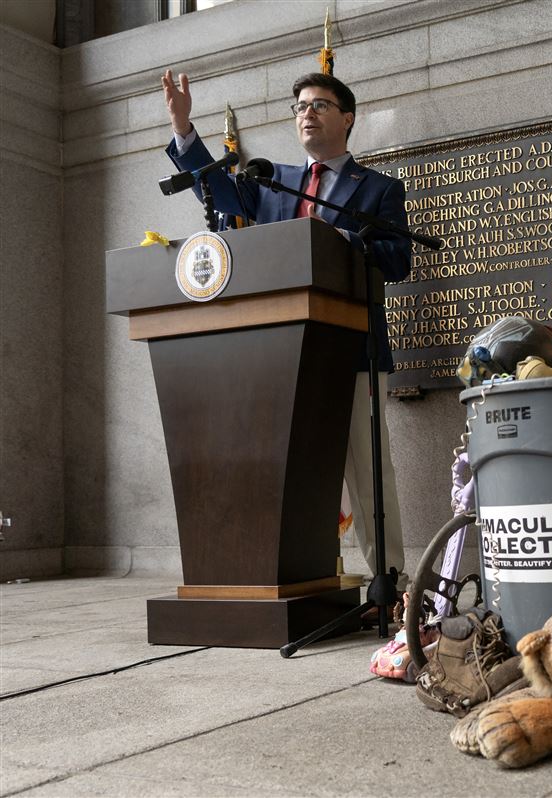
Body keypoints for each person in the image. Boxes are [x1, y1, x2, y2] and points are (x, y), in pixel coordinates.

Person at [161, 69, 412, 608]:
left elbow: (397, 259)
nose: (307, 112)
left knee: (368, 472)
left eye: (320, 104)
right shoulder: (273, 185)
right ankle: (304, 577)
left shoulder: (379, 189)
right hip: (284, 356)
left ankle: (390, 581)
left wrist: (340, 238)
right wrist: (184, 128)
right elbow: (217, 188)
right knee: (296, 473)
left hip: (352, 351)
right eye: (300, 105)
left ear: (347, 118)